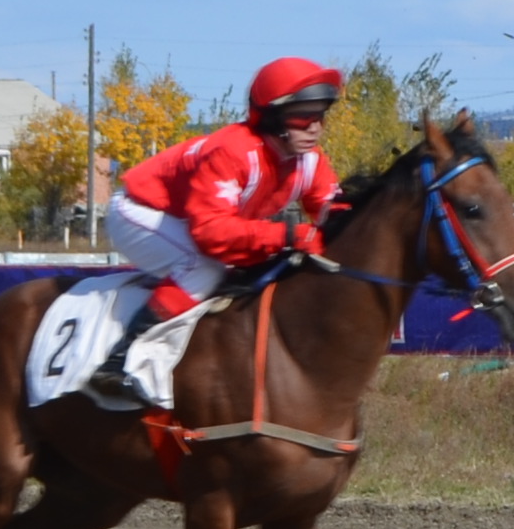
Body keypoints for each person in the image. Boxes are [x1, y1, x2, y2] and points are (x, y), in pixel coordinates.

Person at [96, 56, 341, 401]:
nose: (315, 127)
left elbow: (334, 212)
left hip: (192, 218)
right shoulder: (232, 151)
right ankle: (118, 361)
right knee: (204, 267)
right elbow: (210, 234)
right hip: (139, 210)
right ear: (273, 116)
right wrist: (286, 235)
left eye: (320, 115)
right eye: (303, 116)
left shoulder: (309, 161)